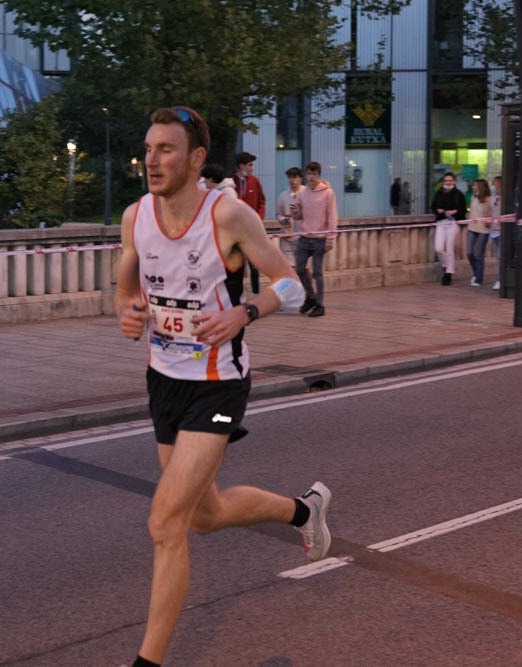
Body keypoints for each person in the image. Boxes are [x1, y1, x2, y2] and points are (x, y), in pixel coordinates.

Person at [115, 106, 332, 667]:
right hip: (164, 380)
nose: (152, 159)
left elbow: (290, 284)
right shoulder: (136, 216)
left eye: (166, 149)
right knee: (204, 516)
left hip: (218, 384)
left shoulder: (229, 216)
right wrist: (129, 311)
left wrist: (245, 312)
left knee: (165, 522)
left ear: (196, 159)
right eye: (149, 148)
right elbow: (124, 287)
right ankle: (303, 512)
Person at [290, 161, 339, 317]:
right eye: (309, 174)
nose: (311, 177)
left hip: (320, 237)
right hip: (305, 236)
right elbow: (299, 216)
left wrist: (330, 237)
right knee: (299, 268)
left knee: (317, 272)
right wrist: (295, 212)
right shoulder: (302, 193)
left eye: (314, 174)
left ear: (319, 175)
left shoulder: (328, 193)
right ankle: (310, 297)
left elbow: (332, 216)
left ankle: (320, 304)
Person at [231, 151, 266, 294]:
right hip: (234, 231)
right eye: (250, 165)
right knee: (237, 265)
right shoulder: (230, 181)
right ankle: (237, 295)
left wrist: (258, 219)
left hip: (252, 230)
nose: (252, 168)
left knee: (254, 265)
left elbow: (261, 202)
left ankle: (256, 293)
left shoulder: (255, 181)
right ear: (241, 166)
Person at [430, 172, 467, 285]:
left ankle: (448, 274)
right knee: (438, 248)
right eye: (446, 181)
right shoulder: (439, 193)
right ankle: (446, 265)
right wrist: (438, 210)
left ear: (454, 181)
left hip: (453, 222)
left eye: (450, 181)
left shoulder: (458, 194)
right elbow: (433, 206)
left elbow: (463, 209)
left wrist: (454, 211)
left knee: (450, 248)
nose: (448, 183)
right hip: (441, 221)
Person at [275, 166, 305, 267]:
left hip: (303, 235)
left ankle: (304, 283)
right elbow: (278, 213)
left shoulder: (306, 193)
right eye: (290, 177)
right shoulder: (283, 195)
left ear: (301, 178)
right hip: (287, 234)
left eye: (294, 177)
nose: (292, 180)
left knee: (303, 267)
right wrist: (283, 219)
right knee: (289, 266)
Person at [466, 179, 492, 287]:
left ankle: (479, 279)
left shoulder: (488, 199)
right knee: (469, 252)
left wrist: (488, 220)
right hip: (472, 228)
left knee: (479, 254)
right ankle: (476, 273)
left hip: (483, 230)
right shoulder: (473, 197)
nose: (473, 187)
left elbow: (490, 213)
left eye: (475, 185)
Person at [489, 176, 503, 290]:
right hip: (493, 230)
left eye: (496, 184)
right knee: (498, 257)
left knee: (501, 257)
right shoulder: (493, 198)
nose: (494, 186)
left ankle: (500, 279)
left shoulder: (507, 198)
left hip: (502, 231)